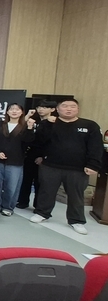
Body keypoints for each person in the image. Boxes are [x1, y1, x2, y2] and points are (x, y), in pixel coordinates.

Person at [30, 99, 103, 234]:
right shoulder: (48, 123)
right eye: (65, 106)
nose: (69, 109)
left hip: (78, 168)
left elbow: (96, 147)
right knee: (46, 191)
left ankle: (76, 220)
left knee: (76, 195)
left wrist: (93, 164)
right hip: (50, 165)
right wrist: (48, 125)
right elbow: (39, 141)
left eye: (72, 106)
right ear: (57, 109)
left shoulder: (89, 125)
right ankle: (42, 213)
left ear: (78, 109)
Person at [0, 103, 36, 216]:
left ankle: (8, 207)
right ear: (7, 112)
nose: (14, 111)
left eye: (17, 109)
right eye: (11, 109)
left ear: (22, 112)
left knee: (12, 186)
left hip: (15, 161)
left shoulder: (25, 126)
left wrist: (30, 128)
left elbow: (29, 141)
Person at [17, 100, 57, 209]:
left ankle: (38, 205)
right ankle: (22, 202)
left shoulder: (54, 123)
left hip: (44, 157)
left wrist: (43, 157)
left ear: (52, 109)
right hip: (29, 154)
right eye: (39, 107)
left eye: (44, 107)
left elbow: (52, 142)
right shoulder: (34, 121)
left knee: (41, 182)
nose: (40, 109)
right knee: (26, 180)